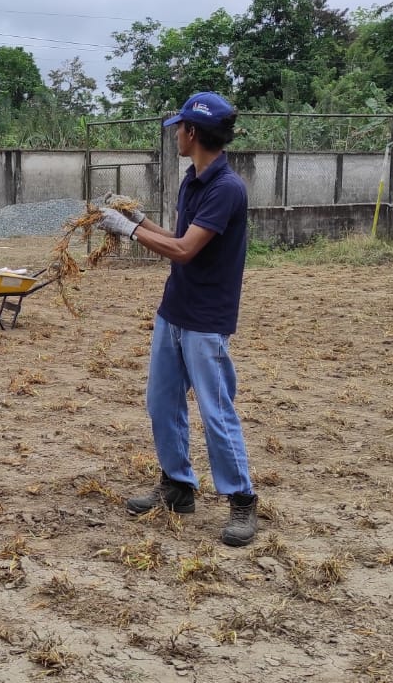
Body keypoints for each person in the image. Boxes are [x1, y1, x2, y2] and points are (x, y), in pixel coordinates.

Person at [95, 91, 260, 547]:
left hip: (206, 318)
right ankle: (178, 486)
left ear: (193, 132)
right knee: (162, 402)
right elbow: (180, 236)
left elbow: (185, 250)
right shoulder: (194, 180)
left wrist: (128, 231)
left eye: (179, 129)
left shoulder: (227, 188)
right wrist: (138, 219)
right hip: (175, 309)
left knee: (215, 409)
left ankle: (242, 499)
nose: (175, 137)